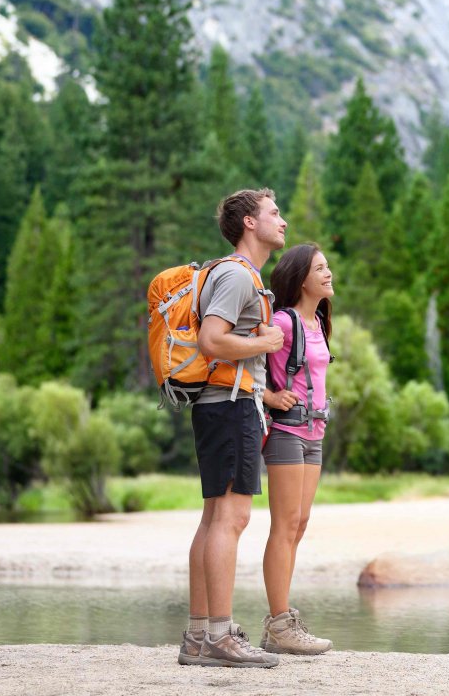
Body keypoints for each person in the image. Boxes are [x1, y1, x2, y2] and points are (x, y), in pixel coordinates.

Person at [178, 188, 287, 669]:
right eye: (273, 213)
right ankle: (219, 636)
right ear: (248, 222)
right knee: (232, 519)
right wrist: (265, 340)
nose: (282, 221)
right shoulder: (238, 277)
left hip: (221, 407)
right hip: (230, 406)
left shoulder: (238, 276)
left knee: (213, 519)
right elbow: (211, 341)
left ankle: (199, 636)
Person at [258, 242, 335, 654]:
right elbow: (241, 358)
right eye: (320, 268)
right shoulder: (283, 323)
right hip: (287, 432)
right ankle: (279, 623)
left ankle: (280, 624)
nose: (328, 274)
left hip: (315, 434)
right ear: (300, 277)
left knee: (299, 524)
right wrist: (270, 397)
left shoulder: (319, 323)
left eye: (328, 267)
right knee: (285, 526)